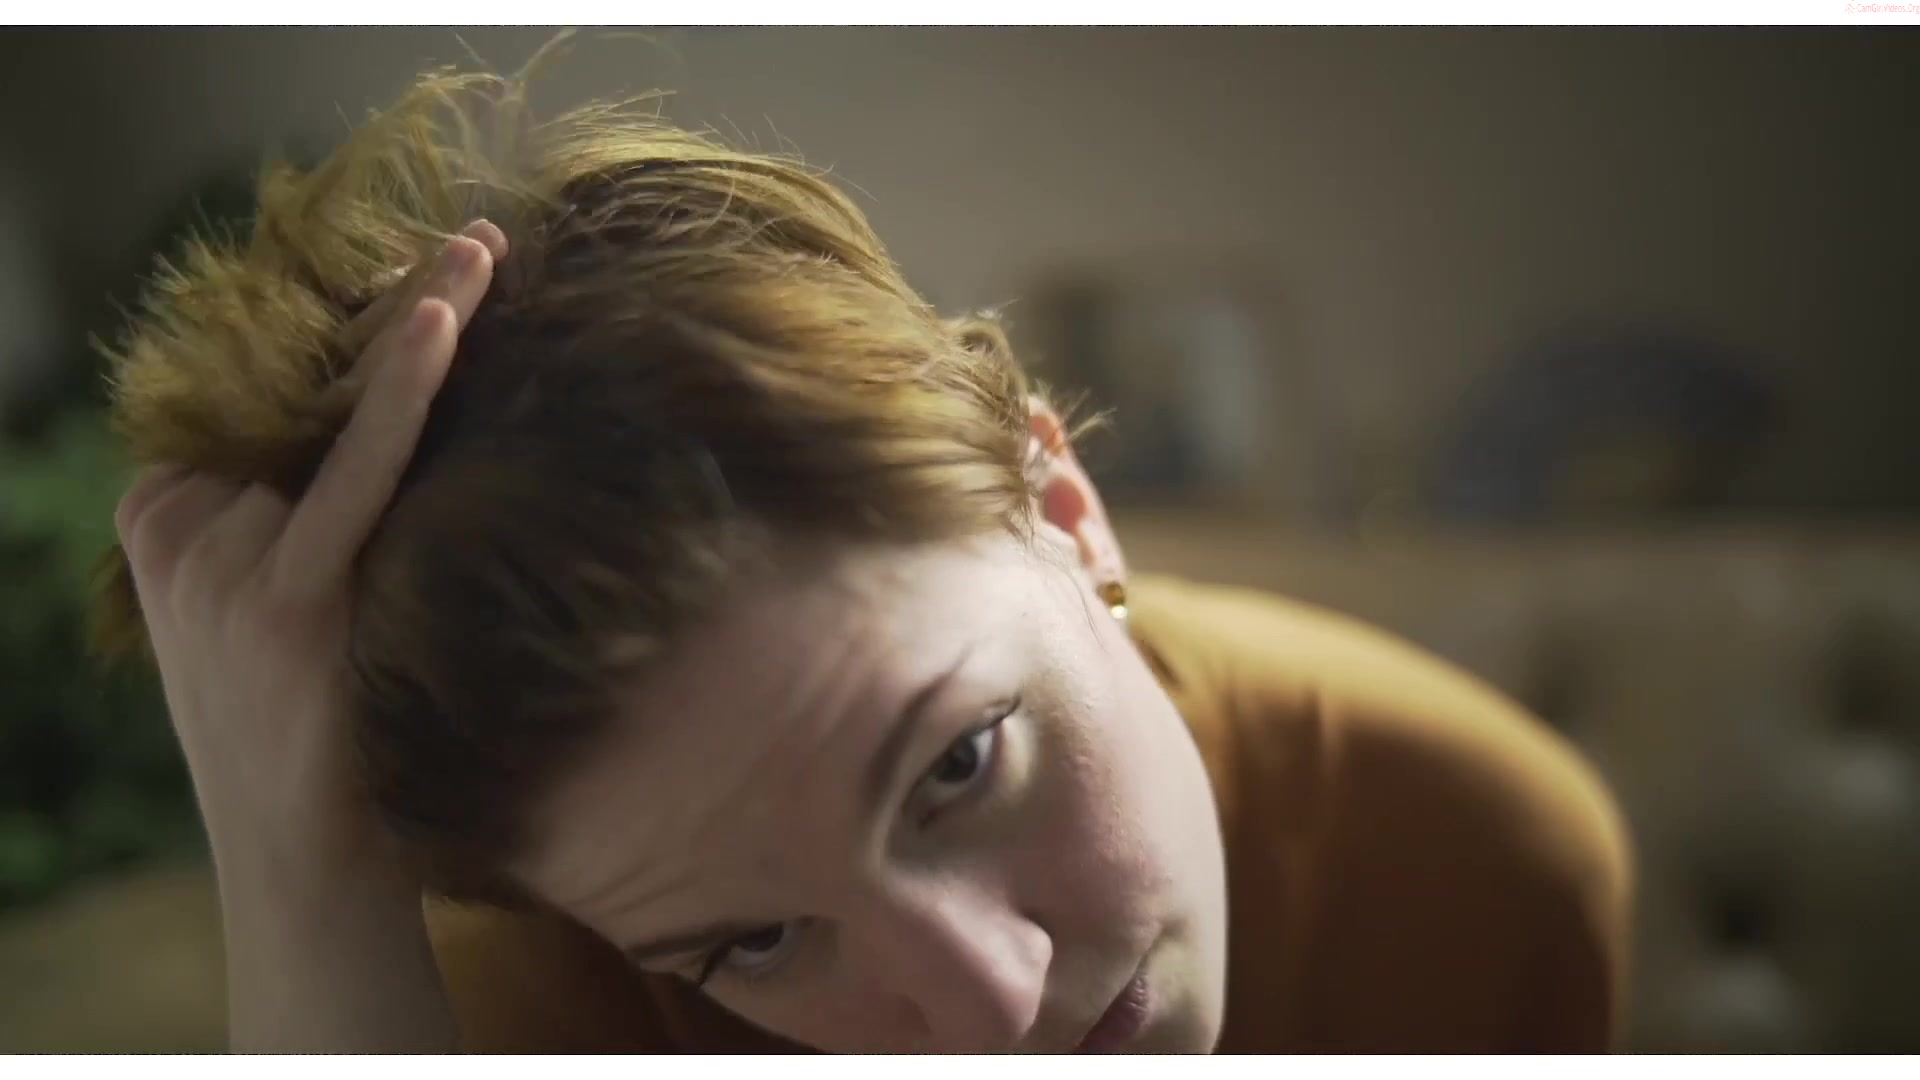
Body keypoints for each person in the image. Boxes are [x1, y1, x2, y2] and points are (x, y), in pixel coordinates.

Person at [95, 66, 1633, 1054]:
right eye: (758, 944)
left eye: (959, 763)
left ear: (1065, 508)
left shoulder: (1477, 861)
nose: (988, 1008)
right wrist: (305, 891)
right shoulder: (541, 991)